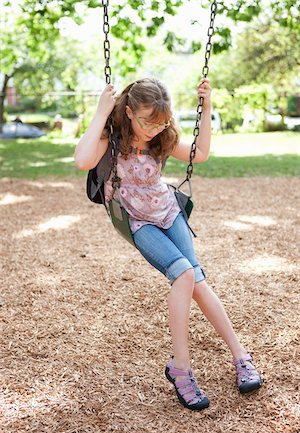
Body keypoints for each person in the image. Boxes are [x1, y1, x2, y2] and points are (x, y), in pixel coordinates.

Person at [74, 78, 263, 411]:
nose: (153, 129)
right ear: (129, 111)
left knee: (198, 281)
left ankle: (240, 356)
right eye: (147, 121)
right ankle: (182, 368)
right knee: (185, 274)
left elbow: (200, 154)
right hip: (136, 220)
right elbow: (83, 160)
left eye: (160, 122)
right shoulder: (113, 138)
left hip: (167, 210)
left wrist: (207, 108)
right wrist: (101, 112)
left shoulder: (162, 136)